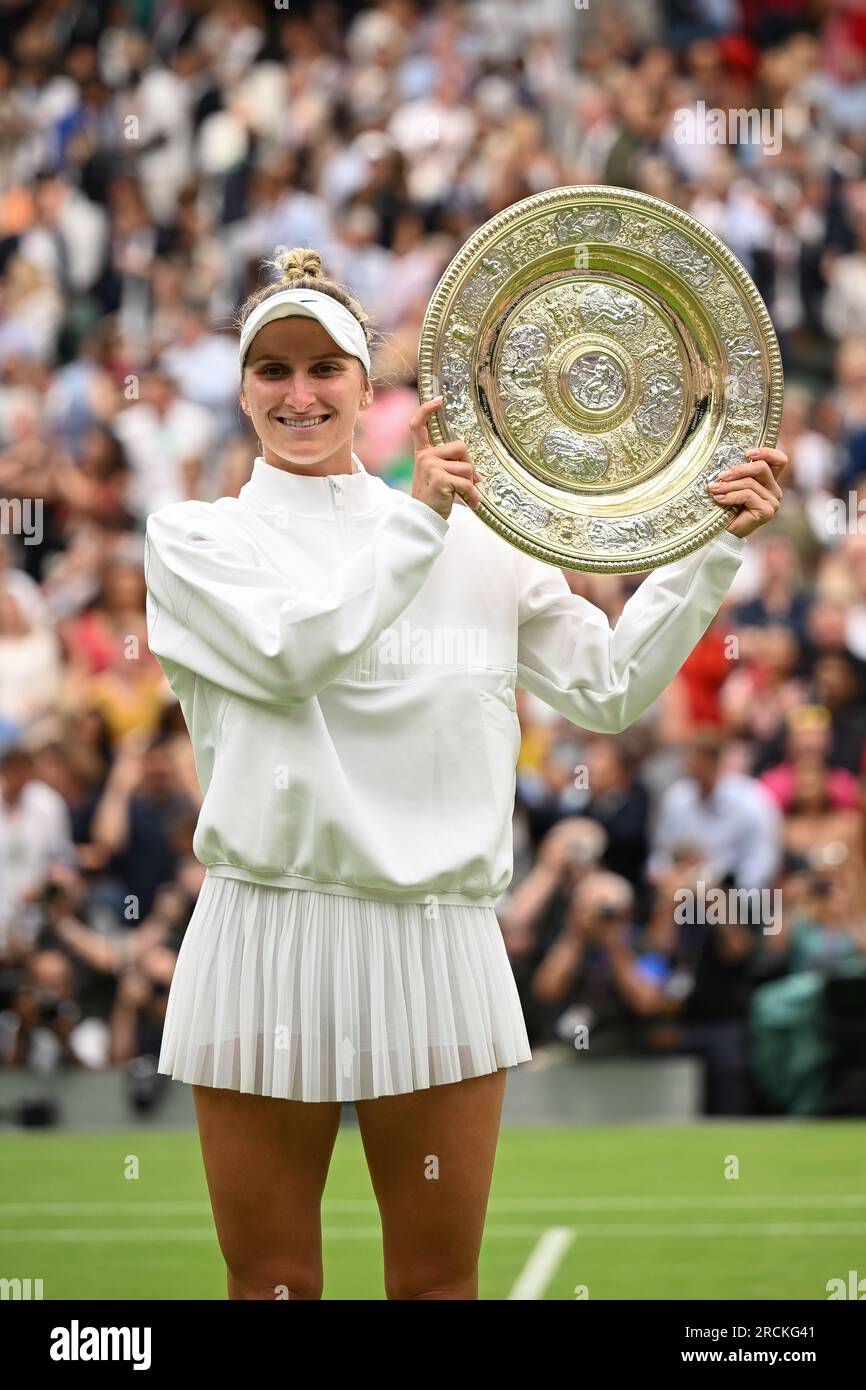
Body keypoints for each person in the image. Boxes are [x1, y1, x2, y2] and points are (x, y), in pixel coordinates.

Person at [143, 244, 787, 1301]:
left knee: (440, 1285)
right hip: (267, 928)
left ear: (366, 382)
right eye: (273, 369)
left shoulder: (473, 531)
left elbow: (609, 686)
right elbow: (291, 652)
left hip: (440, 934)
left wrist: (708, 544)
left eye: (324, 367)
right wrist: (420, 517)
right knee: (271, 1284)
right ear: (242, 386)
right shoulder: (196, 537)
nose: (300, 393)